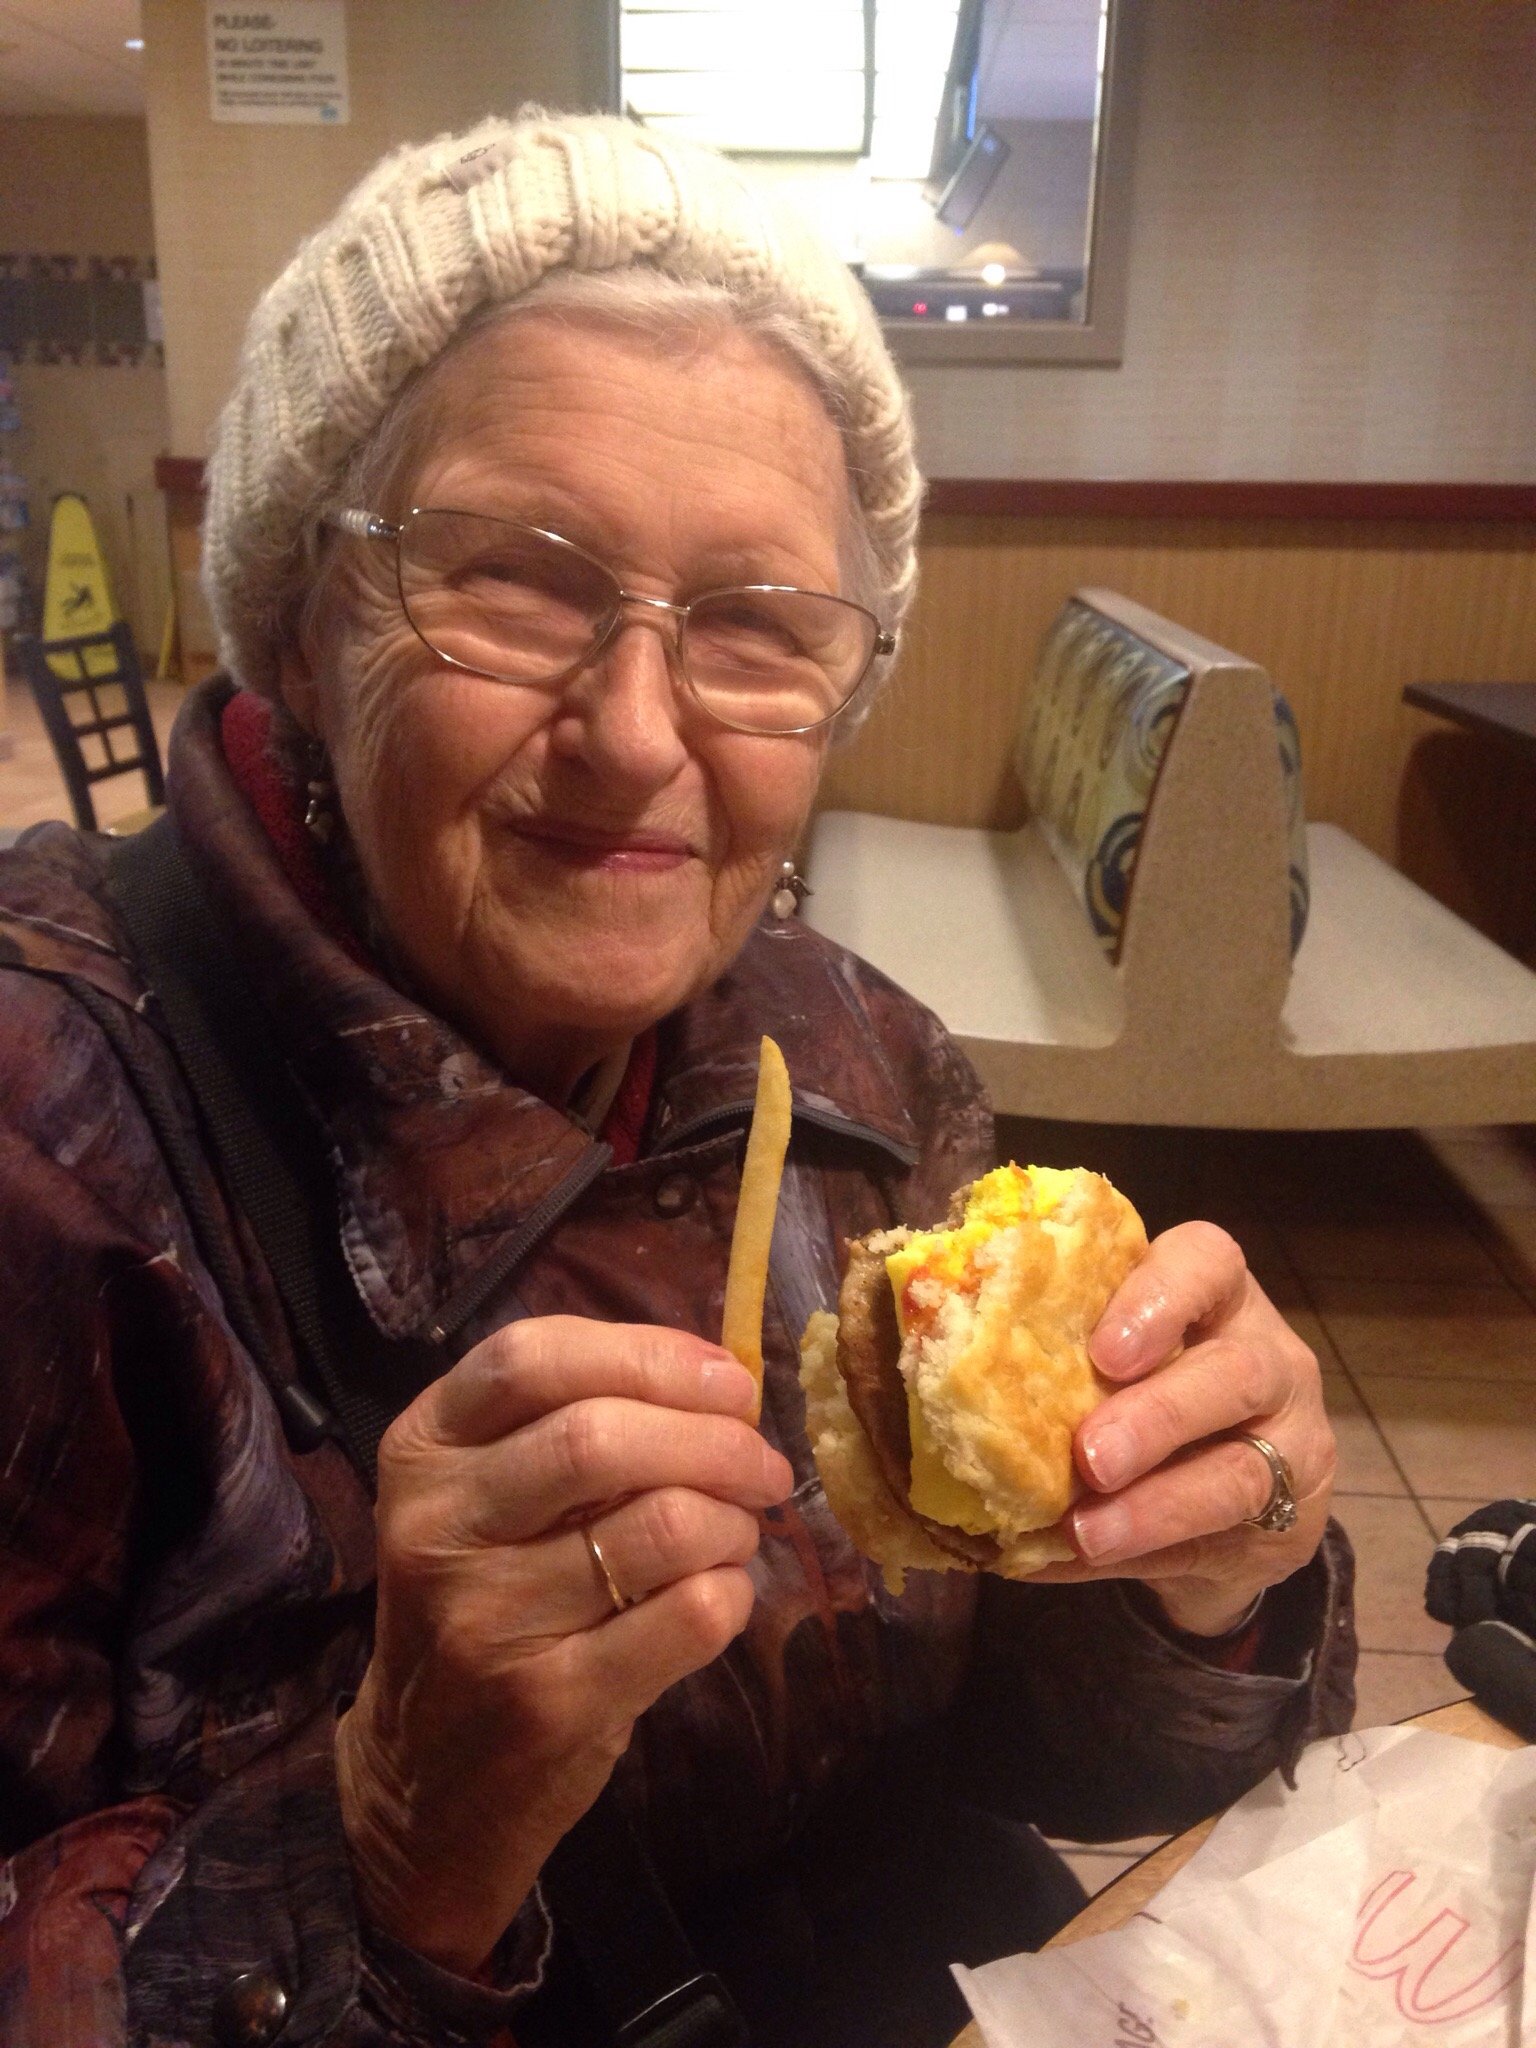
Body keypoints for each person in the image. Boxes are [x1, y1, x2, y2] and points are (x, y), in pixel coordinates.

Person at [0, 111, 1353, 2048]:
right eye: (514, 580)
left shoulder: (870, 1062)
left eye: (755, 625)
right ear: (301, 616)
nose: (638, 737)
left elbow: (1035, 1757)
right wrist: (383, 1841)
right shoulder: (47, 1140)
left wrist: (1201, 1578)